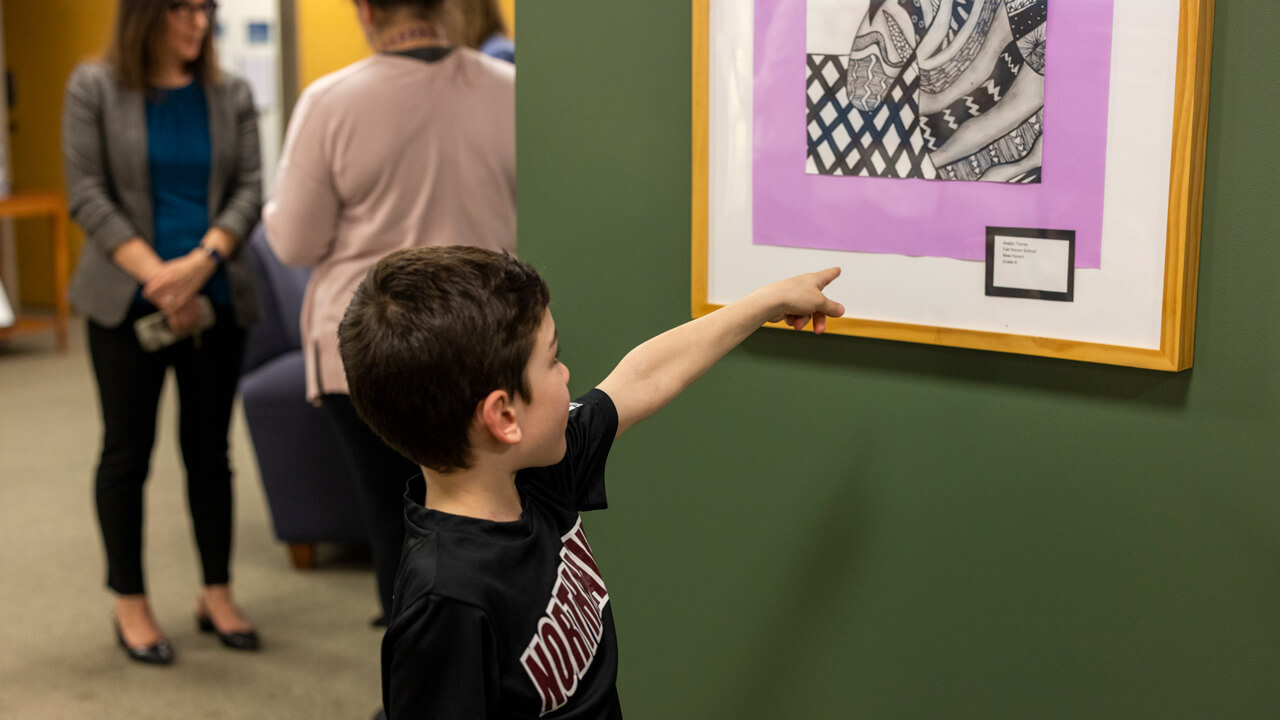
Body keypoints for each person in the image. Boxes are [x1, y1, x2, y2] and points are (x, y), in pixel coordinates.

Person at [337, 247, 844, 717]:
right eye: (553, 360)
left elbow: (640, 379)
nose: (566, 374)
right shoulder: (446, 602)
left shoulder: (533, 472)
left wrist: (766, 302)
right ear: (503, 416)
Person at [263, 0, 516, 627]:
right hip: (482, 346)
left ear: (366, 9)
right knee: (483, 522)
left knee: (392, 520)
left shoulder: (331, 102)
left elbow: (293, 242)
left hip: (369, 351)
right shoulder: (510, 91)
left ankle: (411, 689)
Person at [62, 0, 262, 664]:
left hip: (216, 298)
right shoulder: (93, 87)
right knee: (126, 453)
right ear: (144, 14)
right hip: (126, 301)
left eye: (205, 8)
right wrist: (161, 279)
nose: (197, 21)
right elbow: (87, 192)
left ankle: (216, 590)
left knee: (211, 453)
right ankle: (131, 601)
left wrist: (202, 263)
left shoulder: (229, 92)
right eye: (180, 8)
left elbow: (249, 188)